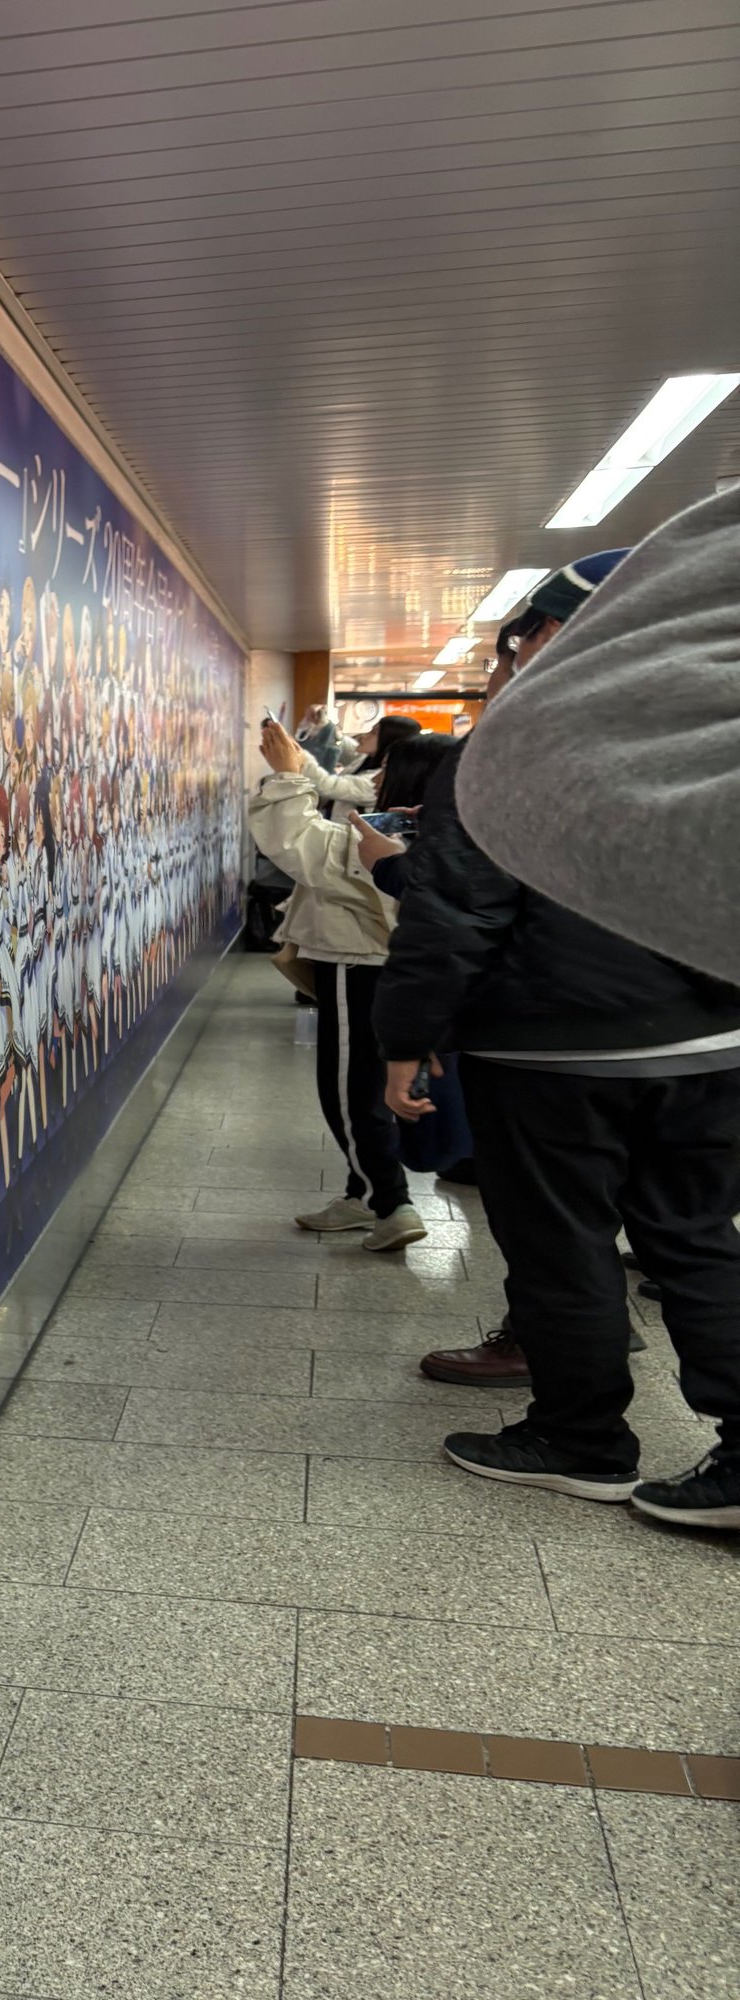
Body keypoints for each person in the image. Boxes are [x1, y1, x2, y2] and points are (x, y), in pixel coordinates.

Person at [374, 555, 740, 1533]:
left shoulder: (517, 749)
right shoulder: (715, 734)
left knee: (561, 1241)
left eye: (513, 642)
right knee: (697, 1237)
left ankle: (579, 1441)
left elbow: (456, 914)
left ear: (544, 636)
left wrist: (406, 1037)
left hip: (553, 1047)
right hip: (711, 1042)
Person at [454, 487, 740, 987]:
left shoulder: (537, 755)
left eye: (517, 645)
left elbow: (461, 906)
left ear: (556, 632)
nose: (506, 671)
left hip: (558, 1013)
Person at [250, 716, 457, 1253]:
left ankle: (390, 1203)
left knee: (351, 1092)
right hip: (401, 972)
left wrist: (287, 775)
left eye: (387, 769)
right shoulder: (451, 838)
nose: (376, 777)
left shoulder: (381, 840)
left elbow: (295, 840)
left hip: (358, 967)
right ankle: (363, 1193)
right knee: (374, 1087)